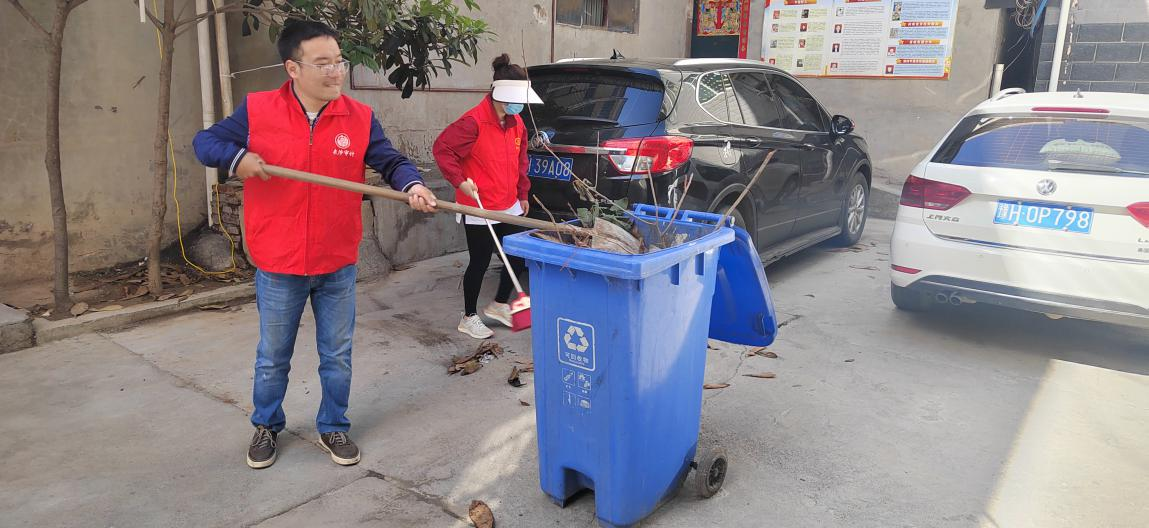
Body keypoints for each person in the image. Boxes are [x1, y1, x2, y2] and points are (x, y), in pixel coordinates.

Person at [192, 21, 438, 470]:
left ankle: (333, 425)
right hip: (279, 261)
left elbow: (390, 160)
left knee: (337, 356)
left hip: (336, 260)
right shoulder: (258, 109)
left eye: (339, 61)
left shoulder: (359, 118)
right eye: (322, 63)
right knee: (272, 358)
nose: (335, 72)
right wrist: (237, 158)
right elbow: (205, 142)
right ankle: (266, 425)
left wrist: (414, 184)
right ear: (293, 68)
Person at [432, 54, 541, 339]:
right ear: (499, 93)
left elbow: (521, 161)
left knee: (516, 258)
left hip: (509, 203)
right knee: (479, 262)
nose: (519, 105)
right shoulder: (473, 123)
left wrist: (522, 193)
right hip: (479, 206)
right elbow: (443, 149)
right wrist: (460, 181)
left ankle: (499, 304)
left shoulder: (517, 124)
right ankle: (468, 316)